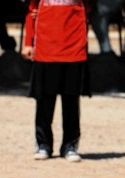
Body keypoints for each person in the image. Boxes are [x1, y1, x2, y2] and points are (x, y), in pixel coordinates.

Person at [22, 0, 91, 162]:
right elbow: (31, 12)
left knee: (71, 101)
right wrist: (27, 43)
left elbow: (88, 10)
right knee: (44, 101)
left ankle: (70, 145)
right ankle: (43, 144)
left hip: (74, 47)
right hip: (46, 47)